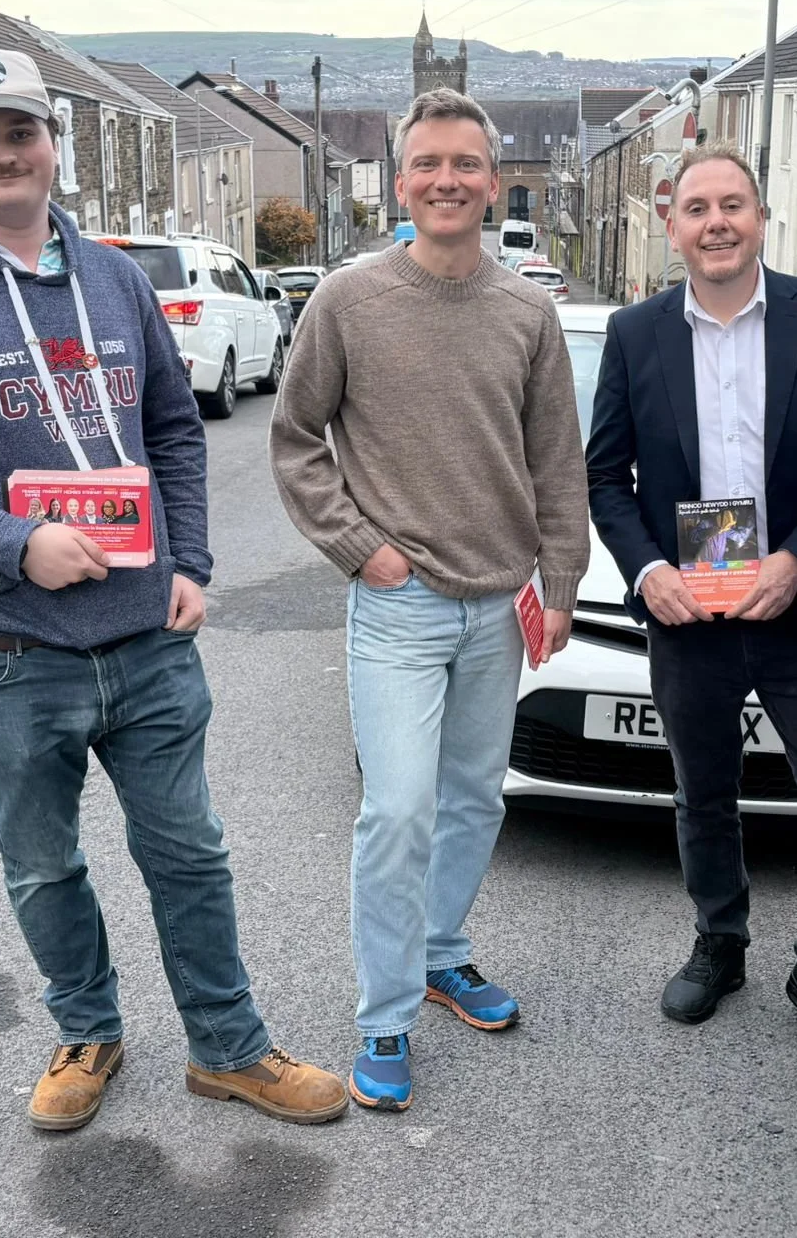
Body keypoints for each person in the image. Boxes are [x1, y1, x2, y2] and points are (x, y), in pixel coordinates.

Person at [0, 45, 346, 1135]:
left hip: (146, 641)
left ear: (51, 145)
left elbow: (172, 428)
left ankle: (228, 1048)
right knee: (41, 865)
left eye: (19, 131)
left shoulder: (116, 277)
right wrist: (13, 542)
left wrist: (193, 565)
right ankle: (88, 1032)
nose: (1, 153)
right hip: (6, 650)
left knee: (189, 854)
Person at [271, 87, 589, 1113]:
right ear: (398, 181)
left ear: (493, 183)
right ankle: (384, 1017)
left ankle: (444, 953)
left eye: (465, 164)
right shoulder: (347, 301)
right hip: (398, 606)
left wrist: (562, 579)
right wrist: (360, 550)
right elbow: (293, 440)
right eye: (426, 165)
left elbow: (555, 463)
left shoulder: (528, 311)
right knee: (396, 808)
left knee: (472, 801)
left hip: (500, 604)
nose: (446, 181)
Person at [586, 143, 797, 1068]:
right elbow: (606, 476)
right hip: (688, 618)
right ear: (672, 228)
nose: (717, 222)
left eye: (733, 206)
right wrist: (645, 571)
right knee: (702, 792)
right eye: (698, 208)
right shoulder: (637, 335)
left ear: (761, 219)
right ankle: (722, 941)